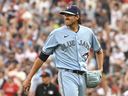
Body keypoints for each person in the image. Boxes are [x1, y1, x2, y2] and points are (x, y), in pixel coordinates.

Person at [23, 5, 104, 96]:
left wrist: (100, 69)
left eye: (69, 15)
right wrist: (29, 77)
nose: (66, 17)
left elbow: (99, 51)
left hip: (83, 75)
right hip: (67, 74)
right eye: (65, 15)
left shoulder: (88, 32)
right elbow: (42, 56)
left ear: (77, 17)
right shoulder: (57, 33)